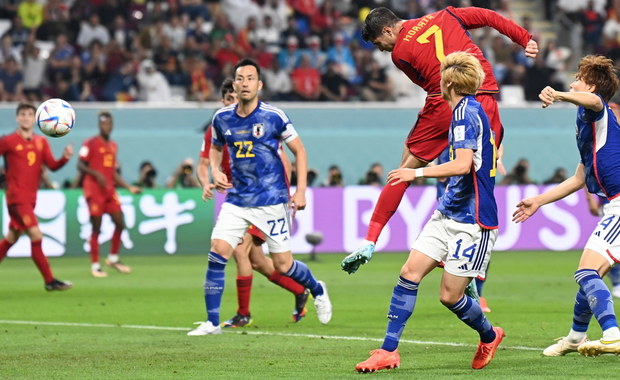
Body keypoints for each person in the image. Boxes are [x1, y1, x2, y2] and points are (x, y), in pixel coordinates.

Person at [343, 6, 538, 265]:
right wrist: (524, 38)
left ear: (388, 30)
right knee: (480, 170)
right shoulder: (447, 15)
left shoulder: (400, 52)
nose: (383, 50)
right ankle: (469, 254)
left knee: (404, 170)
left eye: (380, 44)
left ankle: (370, 240)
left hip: (445, 102)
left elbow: (429, 85)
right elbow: (490, 17)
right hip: (485, 96)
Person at [348, 52, 504, 372]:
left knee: (449, 297)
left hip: (473, 222)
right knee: (409, 273)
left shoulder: (464, 115)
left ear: (446, 82)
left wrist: (414, 173)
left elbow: (462, 165)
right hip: (447, 213)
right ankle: (388, 351)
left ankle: (489, 335)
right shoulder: (467, 110)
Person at [187, 58, 332, 336]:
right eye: (240, 78)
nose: (244, 83)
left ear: (259, 84)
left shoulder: (274, 116)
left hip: (272, 200)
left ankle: (317, 287)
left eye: (250, 78)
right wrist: (215, 172)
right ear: (234, 83)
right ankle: (212, 322)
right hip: (238, 200)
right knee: (218, 251)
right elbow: (215, 150)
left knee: (283, 265)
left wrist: (300, 190)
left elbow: (299, 152)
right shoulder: (222, 118)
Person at [513, 55, 620, 357]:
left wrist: (559, 94)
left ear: (592, 86)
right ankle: (575, 338)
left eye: (578, 79)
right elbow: (579, 178)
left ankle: (612, 334)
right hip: (614, 204)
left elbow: (593, 100)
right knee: (590, 274)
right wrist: (538, 201)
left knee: (586, 272)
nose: (572, 82)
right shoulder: (585, 124)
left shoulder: (598, 108)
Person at [0, 102, 73, 291]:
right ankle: (49, 281)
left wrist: (64, 157)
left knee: (11, 238)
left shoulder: (41, 142)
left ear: (35, 118)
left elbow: (52, 165)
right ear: (17, 118)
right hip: (16, 199)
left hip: (31, 200)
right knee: (35, 234)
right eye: (22, 114)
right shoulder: (8, 141)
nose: (26, 117)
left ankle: (50, 281)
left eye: (29, 114)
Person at [78, 111, 141, 278]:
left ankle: (113, 258)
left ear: (112, 125)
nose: (106, 126)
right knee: (96, 228)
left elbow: (112, 172)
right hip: (94, 190)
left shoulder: (113, 145)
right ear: (99, 125)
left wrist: (129, 187)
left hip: (109, 191)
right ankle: (95, 265)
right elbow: (80, 165)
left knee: (120, 223)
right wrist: (95, 173)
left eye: (109, 123)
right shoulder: (90, 143)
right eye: (104, 123)